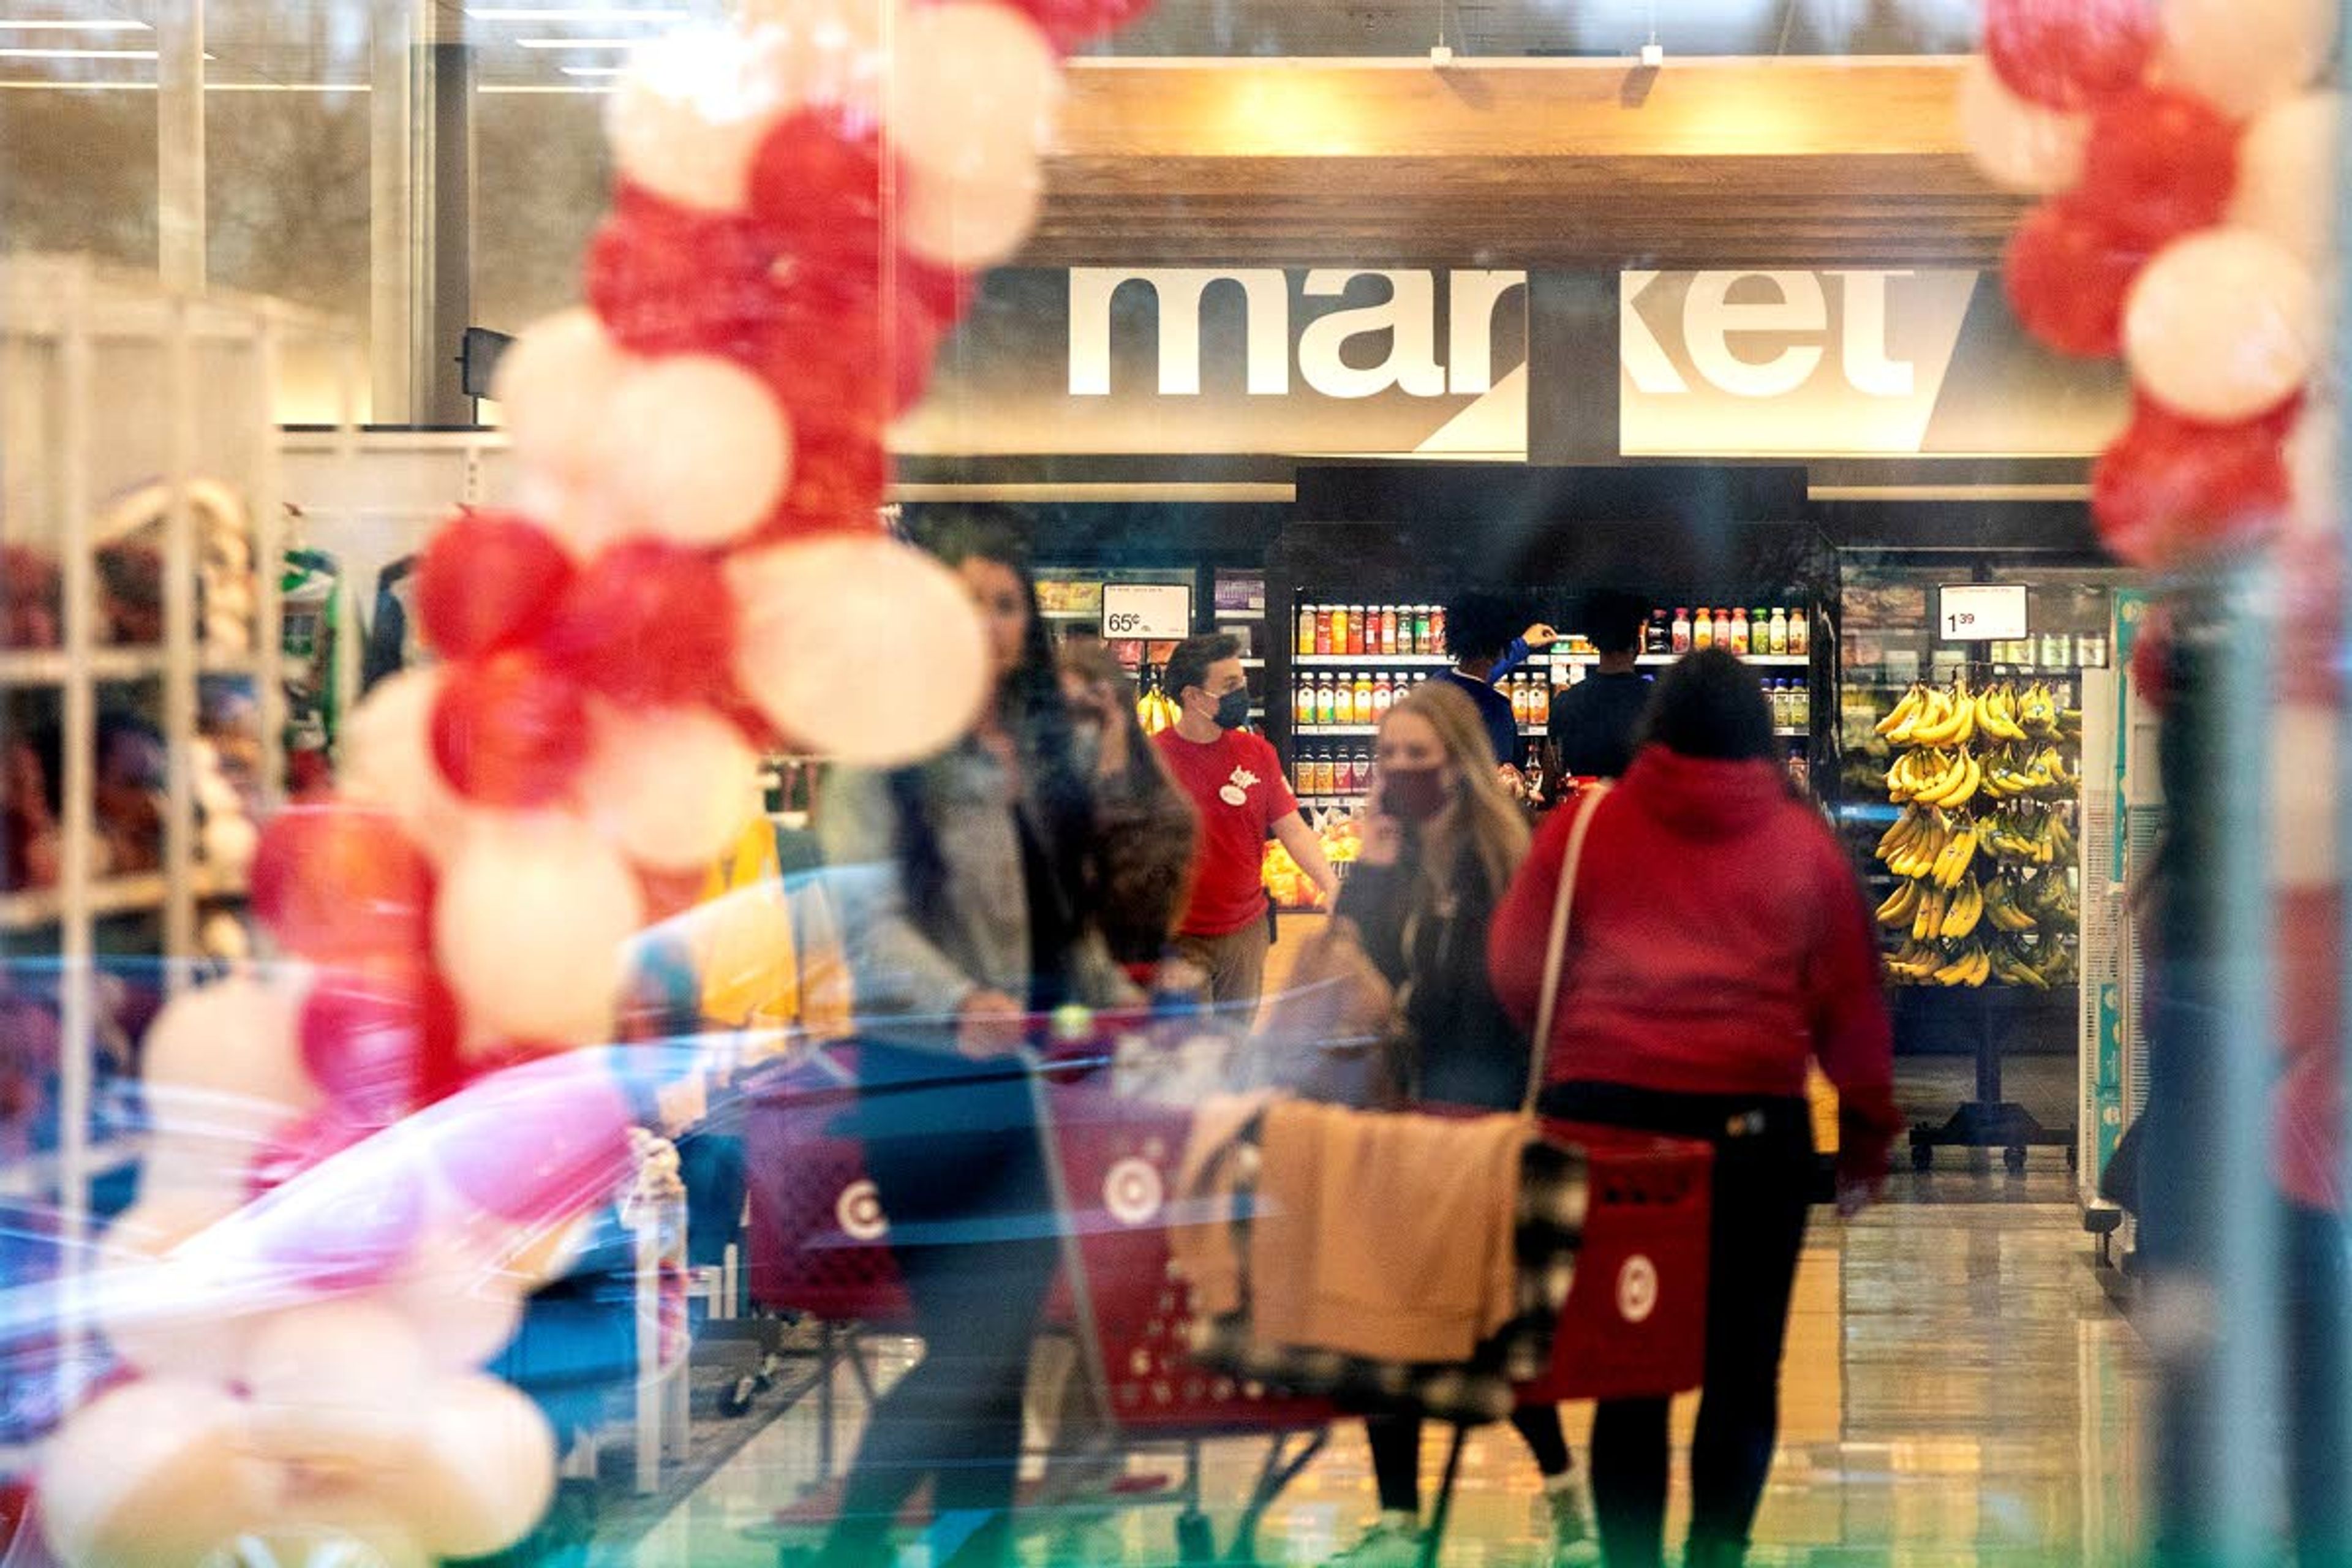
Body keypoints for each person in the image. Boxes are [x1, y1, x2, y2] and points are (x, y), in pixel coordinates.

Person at [1489, 649, 1899, 1568]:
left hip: (1609, 1127)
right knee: (1743, 1370)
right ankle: (1717, 1550)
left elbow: (1516, 965)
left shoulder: (1585, 827)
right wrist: (1866, 1136)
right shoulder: (1803, 847)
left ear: (1654, 730)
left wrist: (1577, 1052)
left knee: (1629, 1373)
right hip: (1751, 1133)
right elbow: (1852, 1004)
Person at [815, 510, 1136, 1568]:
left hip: (1031, 1093)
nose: (991, 624)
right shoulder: (880, 760)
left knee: (995, 1362)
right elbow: (868, 920)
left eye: (1007, 604)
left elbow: (1064, 918)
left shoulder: (1042, 759)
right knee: (971, 1349)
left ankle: (973, 1552)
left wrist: (1121, 992)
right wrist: (960, 1000)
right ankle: (851, 1547)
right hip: (927, 1086)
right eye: (968, 600)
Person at [1327, 680, 1594, 1568]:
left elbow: (1502, 998)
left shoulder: (1500, 861)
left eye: (1419, 756)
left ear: (1457, 763)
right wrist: (1368, 864)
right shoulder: (1393, 863)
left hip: (1486, 1116)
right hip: (1397, 1116)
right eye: (1390, 757)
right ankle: (1400, 1519)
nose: (1402, 772)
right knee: (1384, 1319)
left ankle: (1562, 1490)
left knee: (1489, 1318)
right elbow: (1343, 966)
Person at [1153, 632, 1336, 1022]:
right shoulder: (1153, 761)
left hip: (1245, 932)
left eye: (1242, 681)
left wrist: (1331, 884)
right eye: (1230, 685)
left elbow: (1294, 830)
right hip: (1179, 937)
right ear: (1193, 696)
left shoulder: (1258, 753)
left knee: (1237, 1051)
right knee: (1192, 1059)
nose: (1242, 693)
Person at [1057, 641, 1200, 981]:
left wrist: (1111, 772)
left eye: (1089, 714)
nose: (1075, 730)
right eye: (1061, 714)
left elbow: (1133, 911)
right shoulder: (1021, 799)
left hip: (1129, 992)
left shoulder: (1161, 811)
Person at [1440, 592, 1558, 783]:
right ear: (1500, 650)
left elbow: (1476, 677)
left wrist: (1523, 643)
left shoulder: (1435, 688)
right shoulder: (1496, 710)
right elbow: (1503, 779)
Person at [1547, 589, 1651, 781]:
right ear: (1637, 645)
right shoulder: (1658, 702)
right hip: (1641, 806)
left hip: (1586, 805)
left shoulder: (1565, 702)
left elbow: (1551, 778)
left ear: (1596, 644)